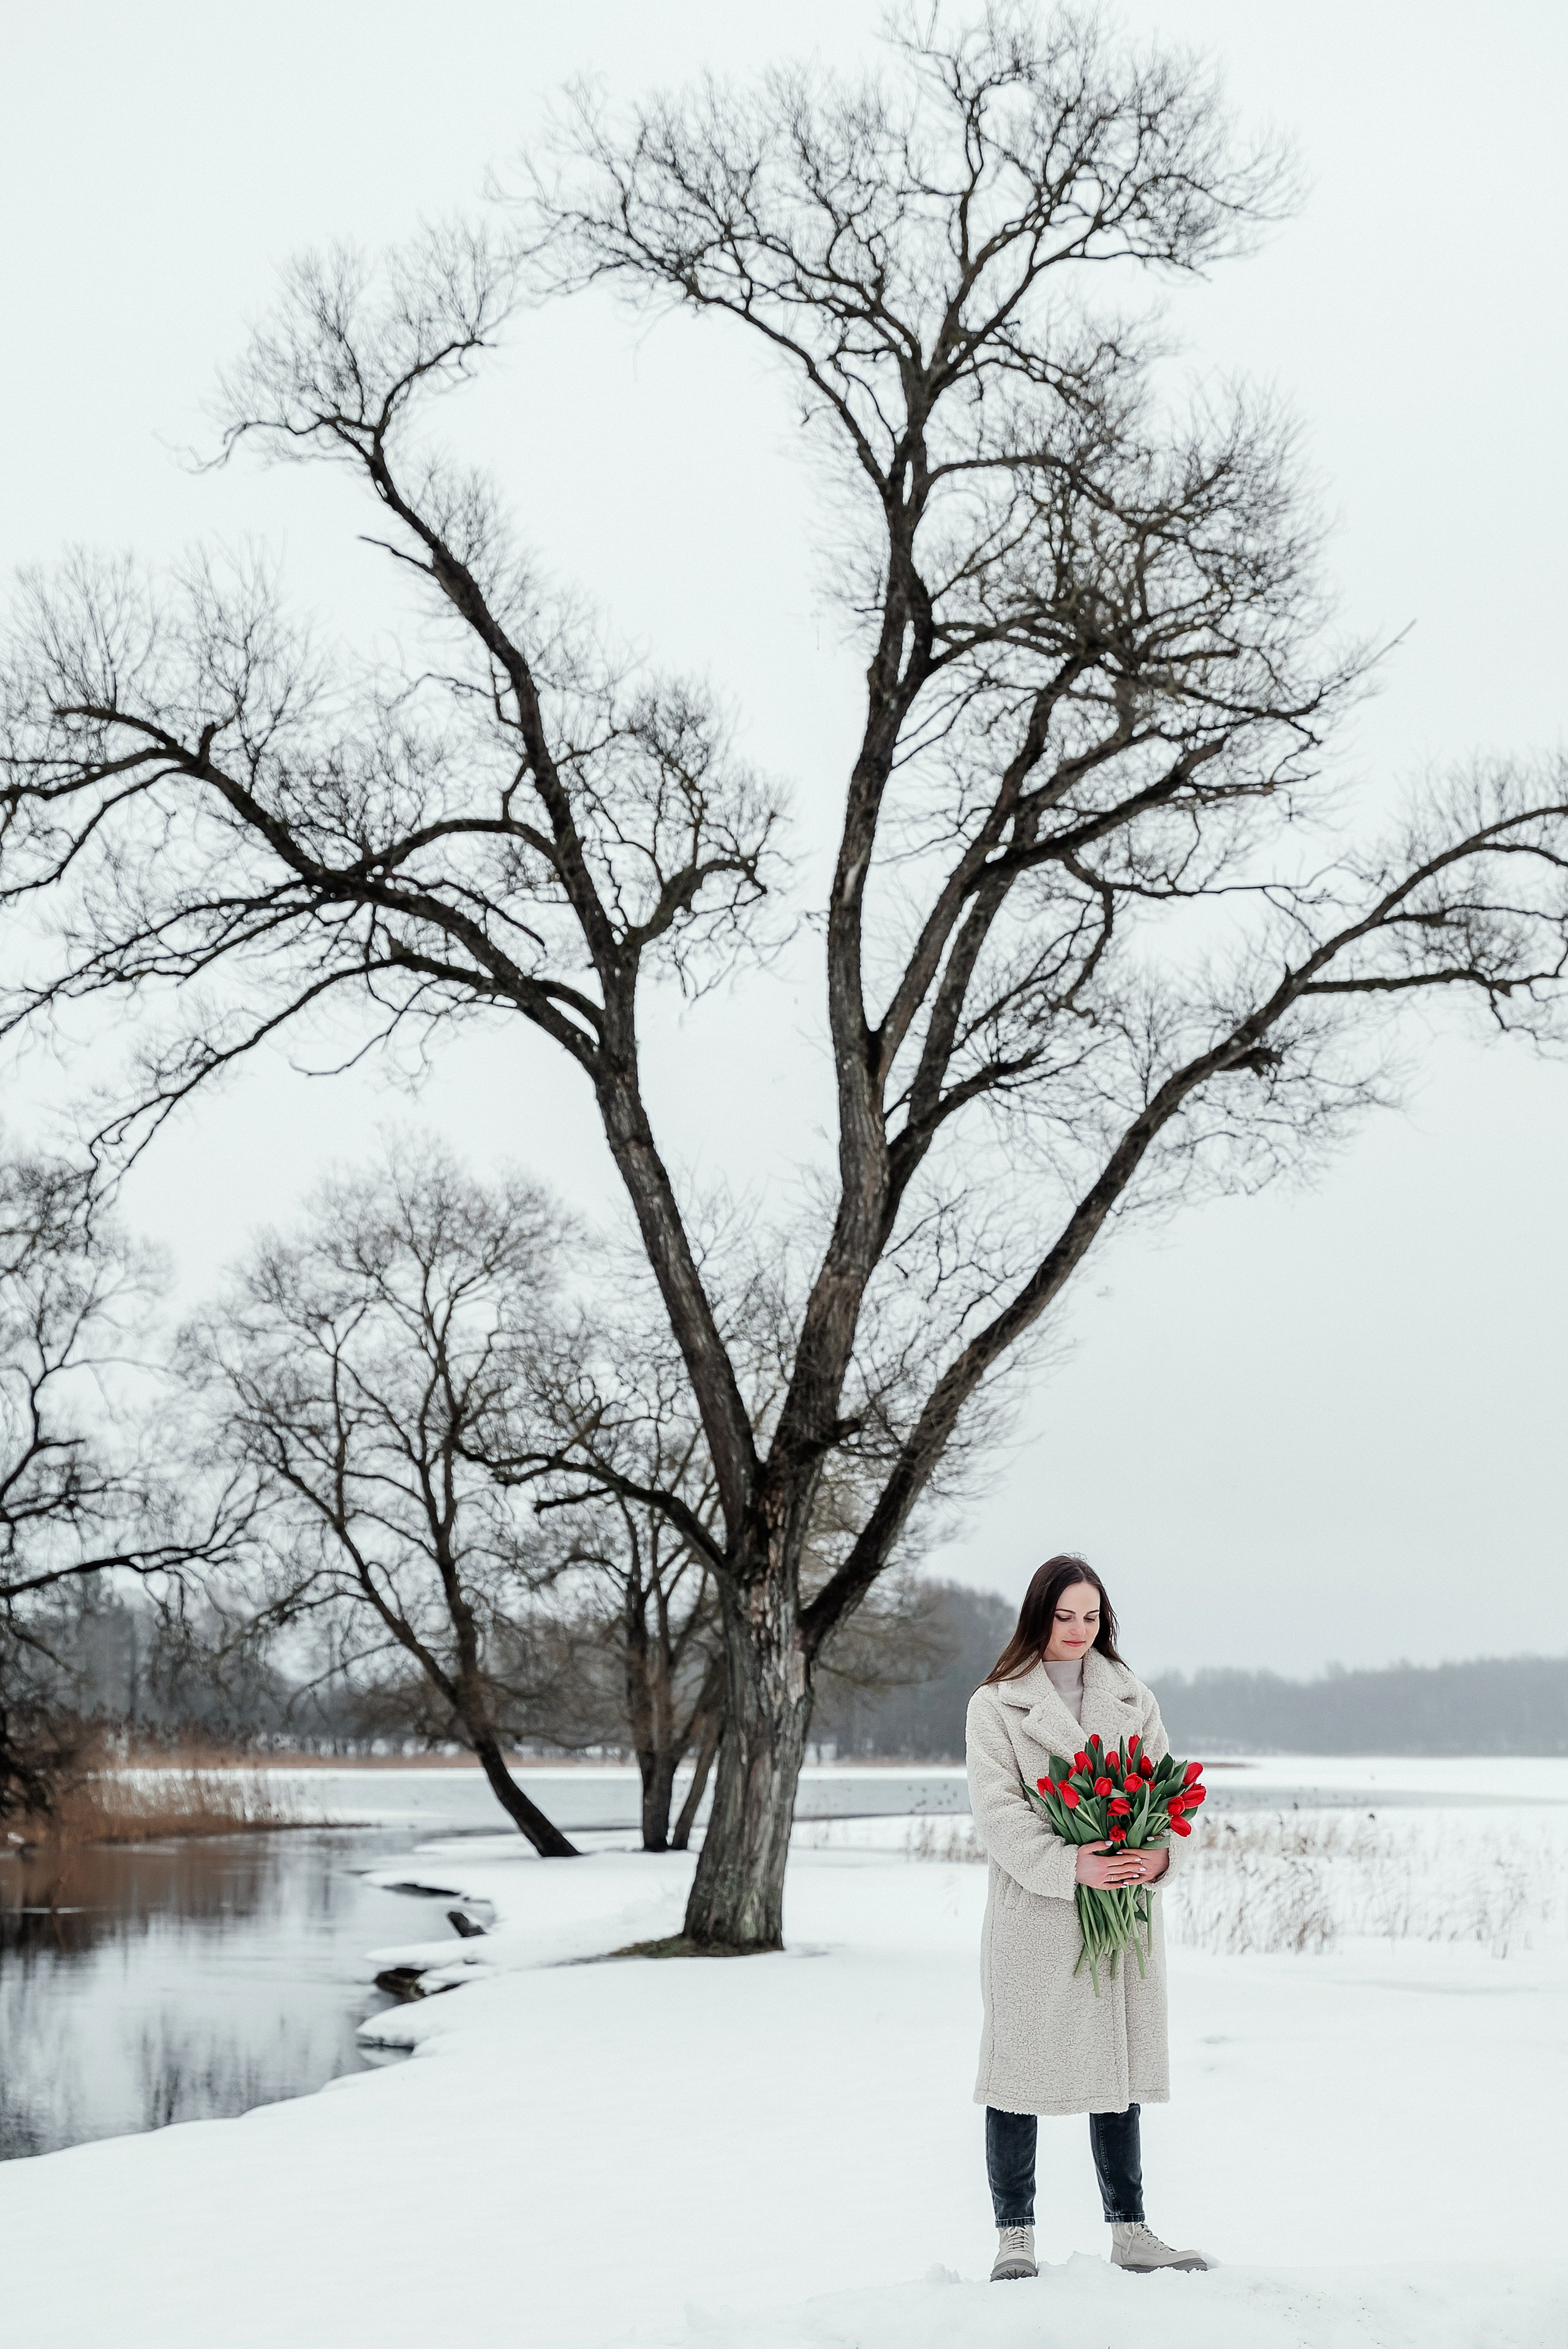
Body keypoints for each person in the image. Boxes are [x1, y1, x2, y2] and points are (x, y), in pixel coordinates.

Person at [965, 1553, 1207, 2281]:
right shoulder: (995, 1704)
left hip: (1120, 1914)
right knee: (1015, 2075)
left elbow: (1166, 1794)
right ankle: (1014, 2239)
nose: (1077, 1629)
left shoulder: (1132, 1697)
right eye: (1063, 1615)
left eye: (1090, 1616)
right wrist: (1074, 1863)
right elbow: (998, 1812)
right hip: (1036, 1916)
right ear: (1038, 1616)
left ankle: (1130, 2232)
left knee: (1117, 2068)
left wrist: (1156, 1858)